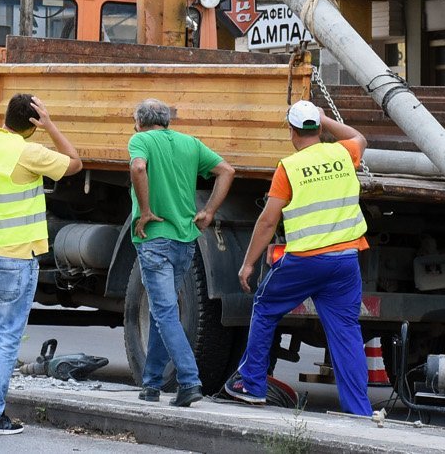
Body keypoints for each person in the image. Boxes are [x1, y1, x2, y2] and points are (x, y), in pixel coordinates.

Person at [223, 100, 373, 416]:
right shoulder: (343, 153)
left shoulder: (289, 167)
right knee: (346, 331)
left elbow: (267, 221)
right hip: (345, 260)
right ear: (318, 128)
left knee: (264, 306)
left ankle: (251, 385)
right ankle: (358, 411)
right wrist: (326, 119)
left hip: (306, 261)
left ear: (292, 131)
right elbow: (360, 136)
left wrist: (249, 263)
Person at [0, 94, 81, 436]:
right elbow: (74, 162)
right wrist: (50, 125)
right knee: (6, 337)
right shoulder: (27, 151)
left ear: (4, 115)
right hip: (15, 258)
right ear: (33, 125)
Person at [128, 98, 235, 407]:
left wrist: (145, 211)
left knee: (163, 312)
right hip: (184, 241)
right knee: (164, 313)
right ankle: (151, 384)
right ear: (166, 121)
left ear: (139, 122)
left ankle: (189, 381)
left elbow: (138, 167)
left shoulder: (140, 140)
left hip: (156, 240)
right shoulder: (190, 143)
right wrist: (210, 211)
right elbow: (226, 171)